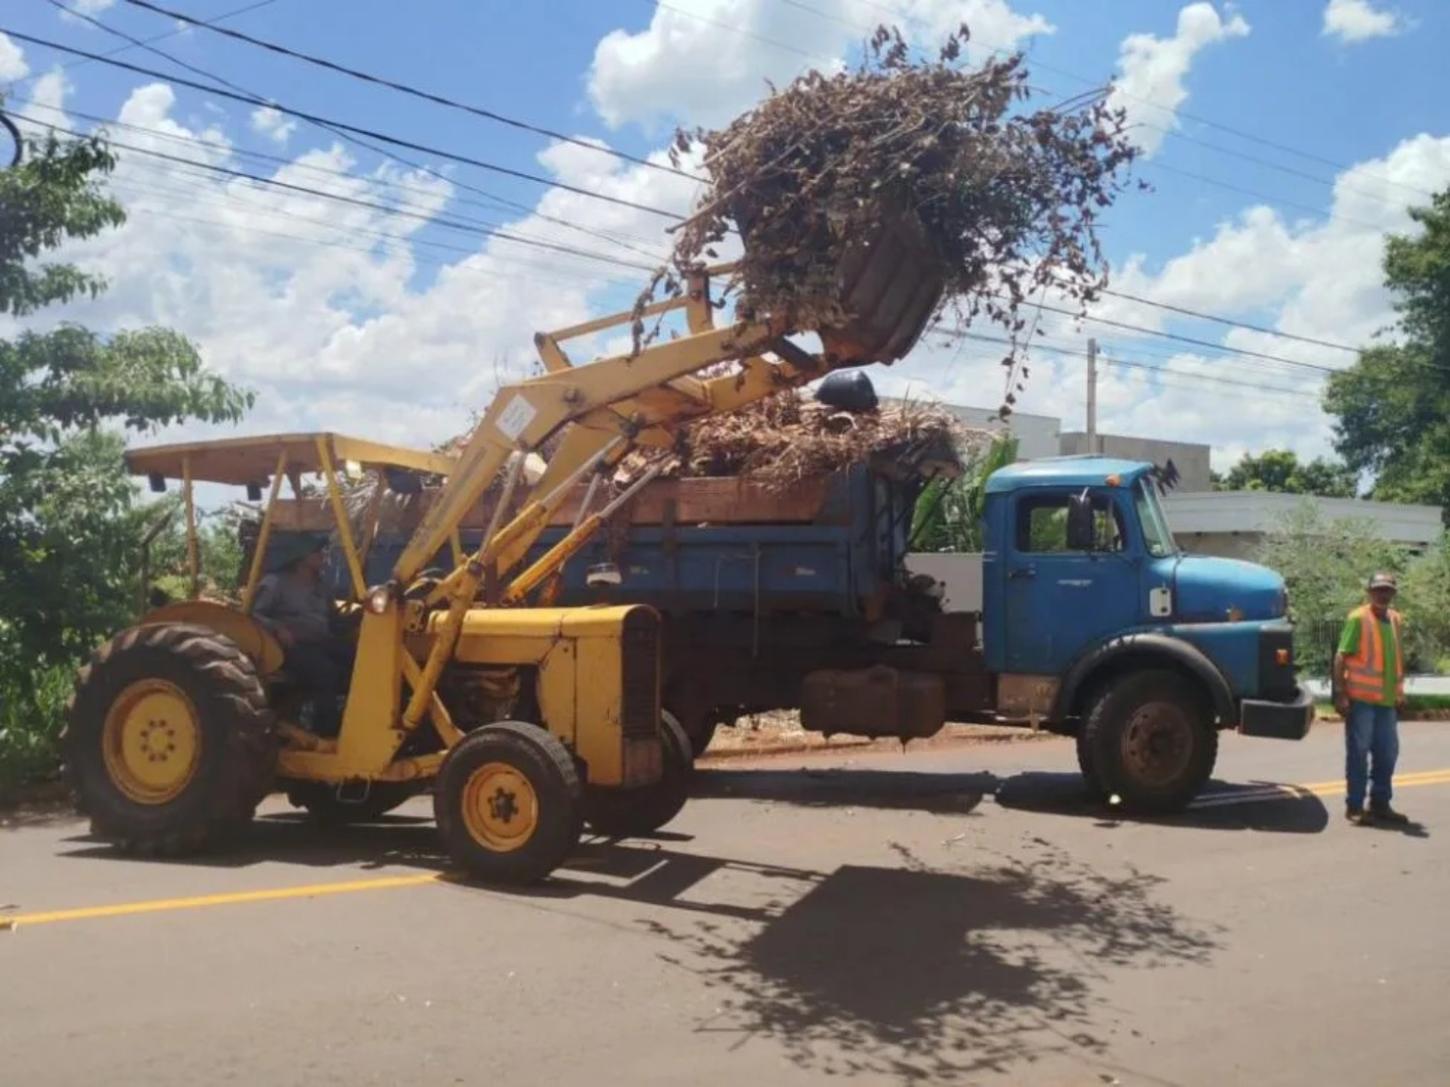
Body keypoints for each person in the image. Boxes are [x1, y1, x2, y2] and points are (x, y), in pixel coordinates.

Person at [252, 535, 353, 737]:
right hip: (289, 648)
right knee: (324, 671)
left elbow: (334, 619)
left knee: (358, 658)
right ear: (302, 557)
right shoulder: (276, 582)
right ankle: (325, 731)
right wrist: (278, 628)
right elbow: (254, 615)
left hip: (321, 643)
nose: (323, 555)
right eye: (318, 552)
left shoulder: (322, 586)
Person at [1333, 572, 1410, 826]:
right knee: (1359, 753)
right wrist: (1340, 694)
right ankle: (1354, 806)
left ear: (1393, 593)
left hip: (1387, 702)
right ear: (1369, 592)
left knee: (1387, 754)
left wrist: (1400, 692)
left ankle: (1380, 804)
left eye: (1387, 590)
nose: (1382, 594)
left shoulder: (1395, 619)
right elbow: (1341, 657)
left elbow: (1396, 658)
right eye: (1378, 590)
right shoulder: (1358, 618)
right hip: (1361, 700)